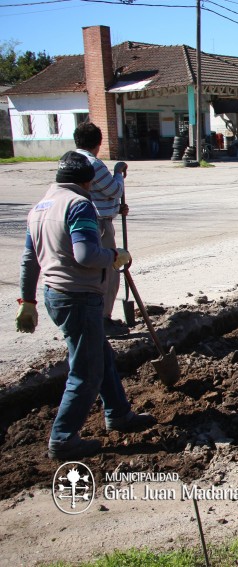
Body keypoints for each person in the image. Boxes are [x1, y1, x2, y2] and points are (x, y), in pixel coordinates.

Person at [16, 151, 156, 460]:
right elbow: (85, 255)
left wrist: (28, 300)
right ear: (87, 181)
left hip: (56, 294)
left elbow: (29, 259)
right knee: (86, 371)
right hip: (78, 295)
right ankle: (63, 438)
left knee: (100, 356)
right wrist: (114, 256)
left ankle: (118, 413)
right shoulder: (79, 205)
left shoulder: (40, 207)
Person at [73, 122, 128, 336]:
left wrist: (116, 208)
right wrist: (117, 172)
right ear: (98, 142)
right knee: (109, 270)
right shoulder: (93, 163)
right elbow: (113, 189)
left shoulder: (70, 160)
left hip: (82, 223)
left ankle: (93, 319)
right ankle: (103, 319)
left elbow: (97, 194)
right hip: (100, 225)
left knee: (89, 273)